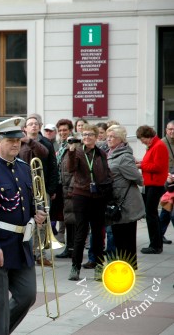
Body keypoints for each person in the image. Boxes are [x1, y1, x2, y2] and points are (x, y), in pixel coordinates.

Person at [0, 117, 47, 335]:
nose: (15, 144)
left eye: (18, 141)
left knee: (27, 295)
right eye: (10, 140)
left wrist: (36, 212)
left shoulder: (23, 168)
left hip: (20, 244)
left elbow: (26, 202)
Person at [67, 123, 112, 281]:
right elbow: (70, 169)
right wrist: (71, 152)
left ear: (96, 137)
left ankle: (99, 265)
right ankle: (75, 267)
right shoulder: (78, 152)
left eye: (90, 135)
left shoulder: (101, 153)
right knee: (81, 232)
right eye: (84, 135)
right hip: (81, 195)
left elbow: (107, 173)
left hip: (98, 196)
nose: (87, 137)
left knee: (98, 233)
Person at [105, 125, 145, 269]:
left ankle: (129, 267)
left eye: (112, 137)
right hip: (116, 199)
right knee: (119, 235)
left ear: (121, 139)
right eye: (108, 136)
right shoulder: (110, 152)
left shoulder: (124, 156)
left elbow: (137, 178)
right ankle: (125, 265)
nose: (109, 139)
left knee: (126, 236)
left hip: (126, 202)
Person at [23, 114, 58, 267]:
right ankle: (26, 251)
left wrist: (51, 189)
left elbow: (52, 167)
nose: (34, 126)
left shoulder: (46, 143)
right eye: (30, 124)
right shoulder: (18, 142)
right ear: (25, 128)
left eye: (36, 124)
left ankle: (40, 253)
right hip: (24, 187)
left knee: (42, 221)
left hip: (41, 188)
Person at [136, 125, 169, 254]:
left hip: (155, 184)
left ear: (148, 136)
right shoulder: (154, 146)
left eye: (142, 138)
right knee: (151, 214)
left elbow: (157, 167)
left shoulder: (158, 146)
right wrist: (141, 163)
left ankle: (155, 245)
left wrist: (141, 165)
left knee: (151, 214)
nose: (141, 141)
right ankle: (155, 243)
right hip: (151, 183)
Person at [54, 119, 76, 259]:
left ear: (70, 130)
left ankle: (72, 248)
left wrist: (72, 187)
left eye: (65, 130)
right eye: (60, 130)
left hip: (70, 187)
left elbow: (76, 169)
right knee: (66, 218)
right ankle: (70, 247)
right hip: (62, 186)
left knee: (71, 219)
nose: (62, 133)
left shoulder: (74, 145)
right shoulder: (62, 145)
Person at [159, 120, 174, 244]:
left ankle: (159, 234)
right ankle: (159, 234)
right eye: (170, 129)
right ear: (166, 130)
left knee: (167, 208)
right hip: (167, 179)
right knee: (167, 207)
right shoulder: (162, 144)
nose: (172, 131)